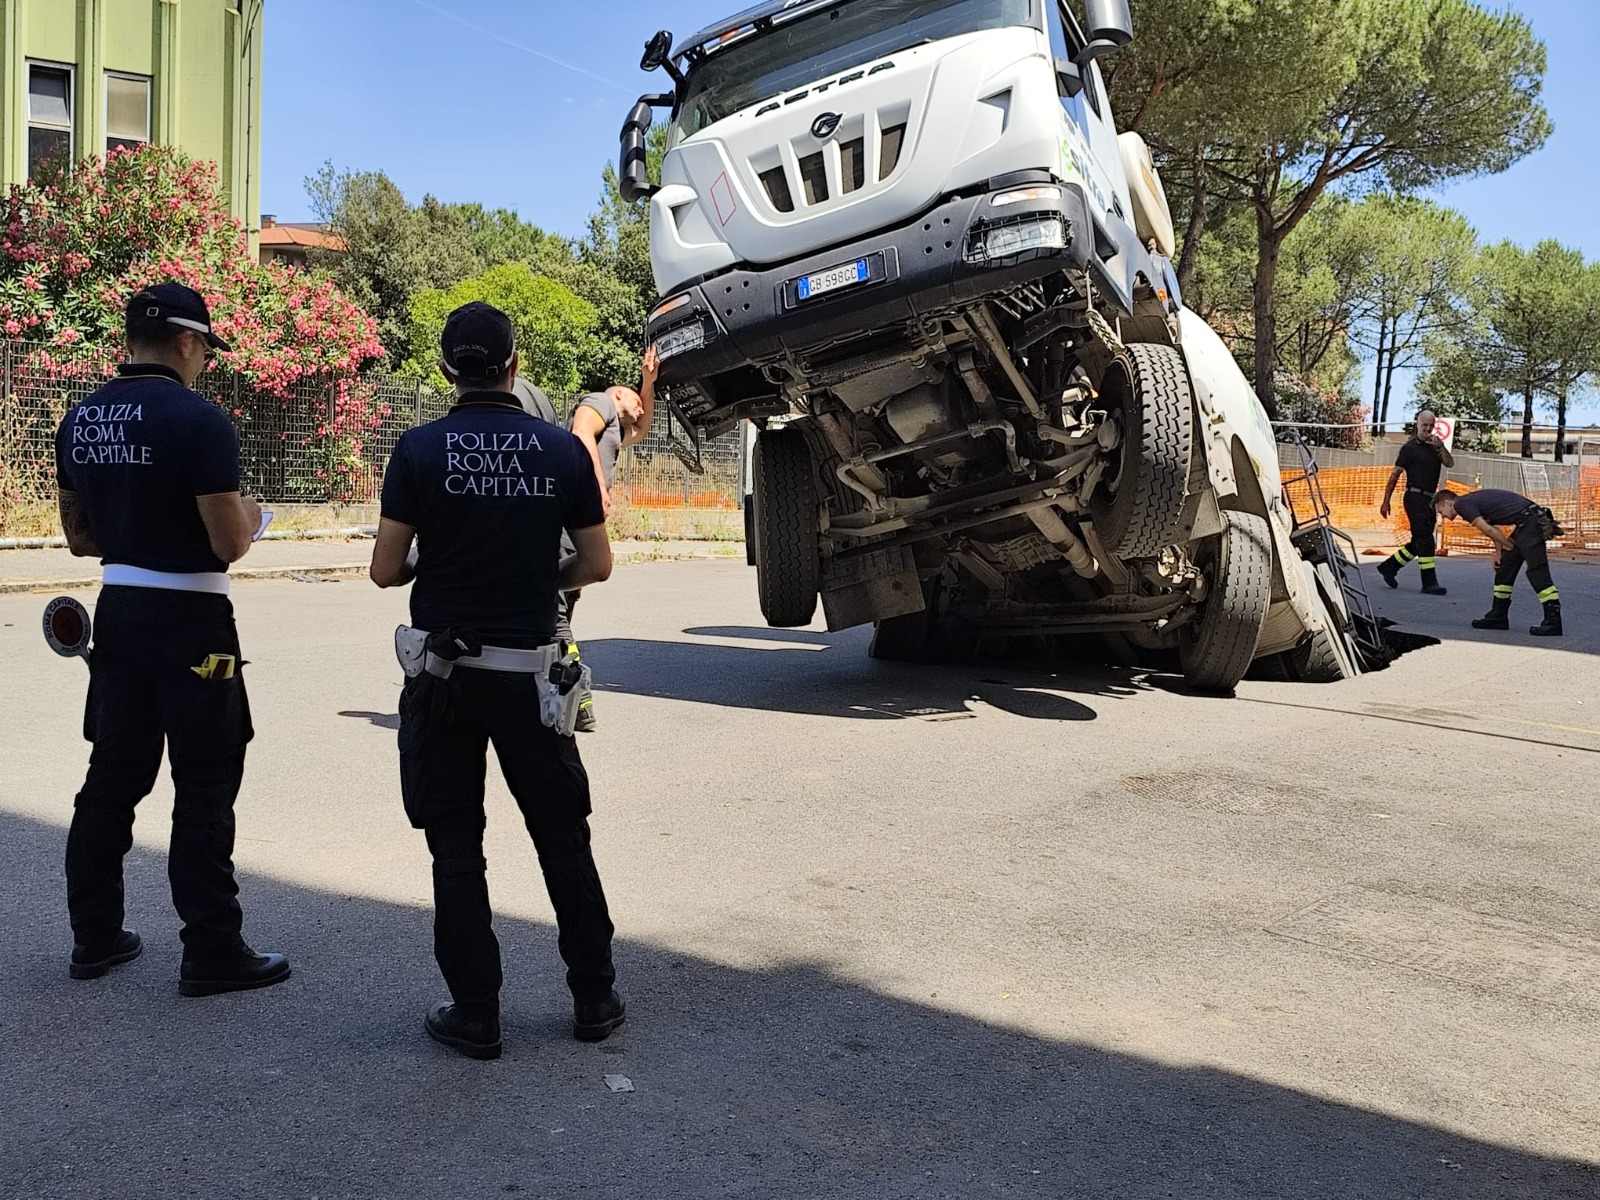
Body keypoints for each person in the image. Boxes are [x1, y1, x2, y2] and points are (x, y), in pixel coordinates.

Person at [370, 301, 624, 1060]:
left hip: (446, 678)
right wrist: (542, 575)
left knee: (455, 841)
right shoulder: (560, 451)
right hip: (533, 678)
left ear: (447, 371)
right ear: (515, 365)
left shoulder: (417, 450)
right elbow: (597, 564)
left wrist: (435, 563)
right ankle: (595, 998)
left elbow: (387, 569)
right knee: (560, 836)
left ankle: (475, 1011)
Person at [52, 283, 290, 995]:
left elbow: (78, 537)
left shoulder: (79, 419)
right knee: (206, 782)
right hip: (192, 621)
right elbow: (229, 541)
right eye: (206, 351)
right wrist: (250, 514)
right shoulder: (200, 421)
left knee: (112, 778)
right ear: (188, 342)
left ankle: (94, 936)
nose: (206, 364)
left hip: (119, 613)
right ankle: (212, 947)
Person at [558, 346, 657, 732]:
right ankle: (576, 699)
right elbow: (582, 429)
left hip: (578, 524)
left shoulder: (618, 426)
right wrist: (597, 485)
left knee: (561, 609)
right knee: (556, 613)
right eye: (635, 398)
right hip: (568, 521)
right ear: (617, 395)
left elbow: (644, 427)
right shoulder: (600, 402)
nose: (641, 407)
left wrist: (648, 382)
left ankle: (567, 697)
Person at [1434, 488, 1563, 637]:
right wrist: (1499, 552)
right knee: (1505, 567)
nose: (1442, 516)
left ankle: (1553, 621)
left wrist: (1507, 546)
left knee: (1537, 571)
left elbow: (1488, 529)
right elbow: (1492, 526)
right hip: (1526, 521)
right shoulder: (1468, 502)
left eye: (1440, 511)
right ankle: (1498, 616)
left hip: (1531, 522)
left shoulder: (1461, 505)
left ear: (1448, 503)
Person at [1377, 410, 1454, 595]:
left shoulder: (1435, 447)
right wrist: (1386, 501)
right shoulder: (1409, 448)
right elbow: (1395, 475)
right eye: (1424, 425)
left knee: (1419, 541)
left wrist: (1441, 447)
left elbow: (1449, 463)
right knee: (1426, 541)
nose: (1427, 429)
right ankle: (1429, 583)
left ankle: (1389, 567)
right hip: (1414, 498)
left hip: (1430, 499)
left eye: (1430, 425)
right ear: (1417, 425)